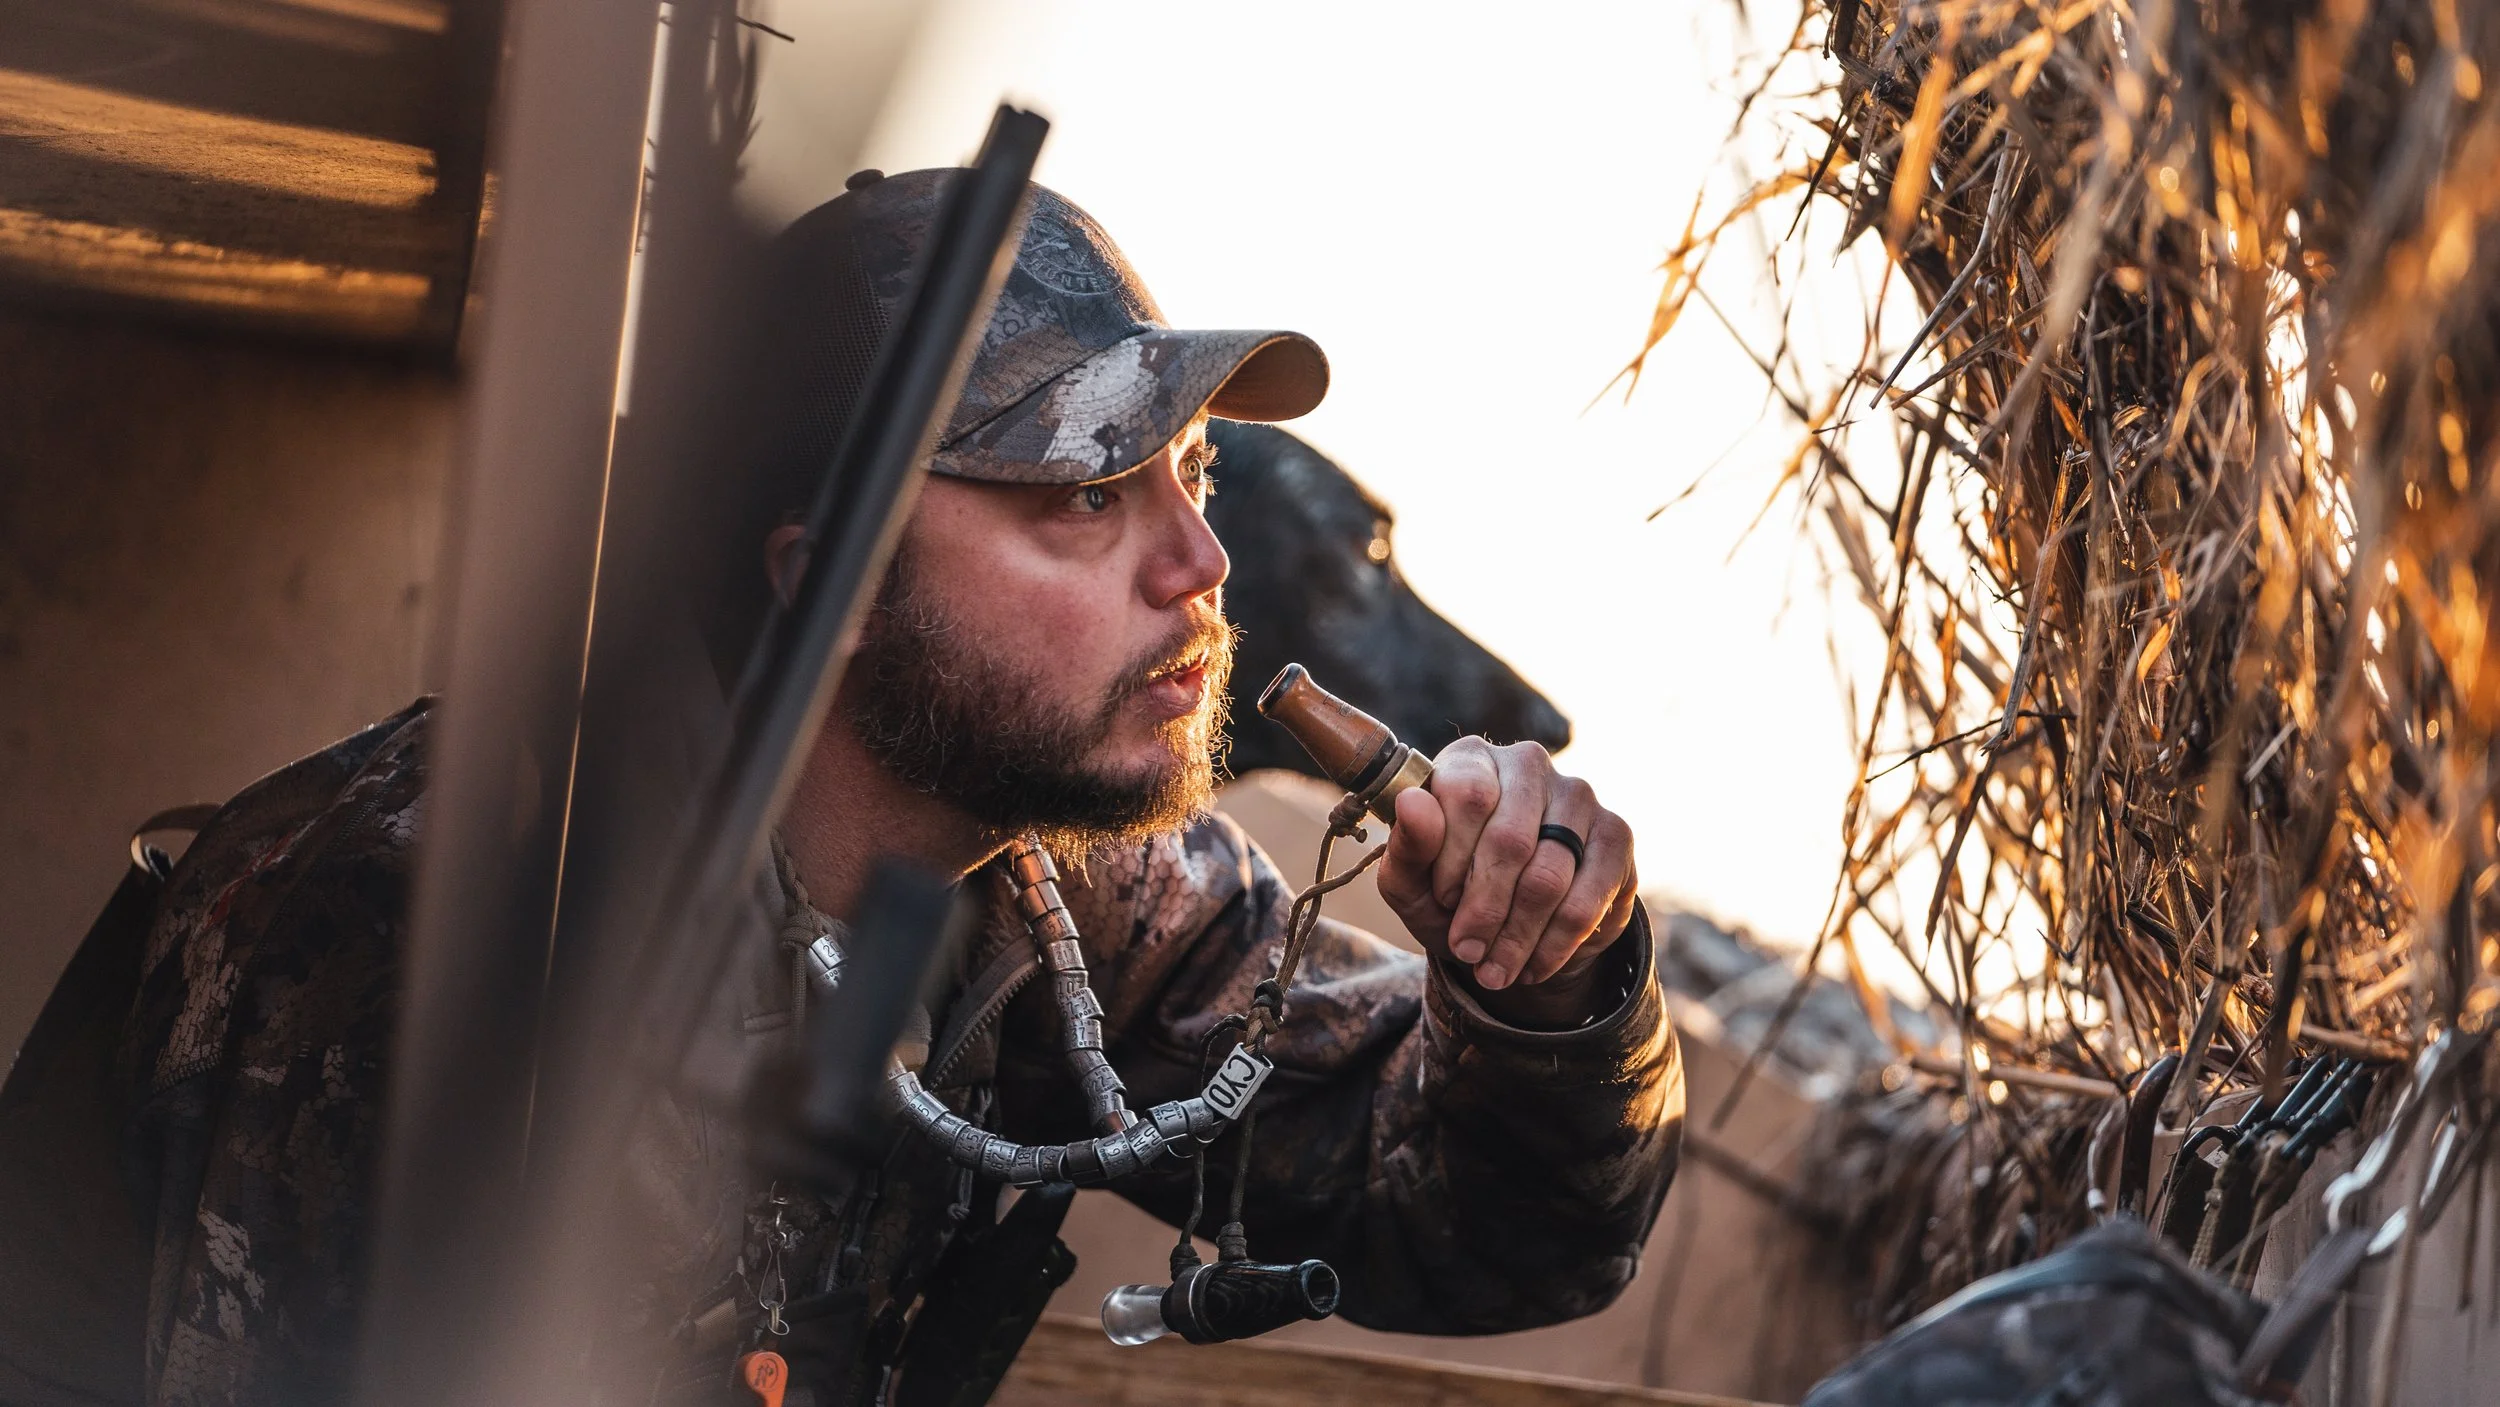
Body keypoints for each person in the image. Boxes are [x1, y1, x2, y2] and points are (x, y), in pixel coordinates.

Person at [106, 171, 1683, 1405]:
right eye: (1082, 493)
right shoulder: (426, 924)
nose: (1202, 565)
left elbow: (1493, 1230)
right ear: (829, 576)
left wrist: (1552, 988)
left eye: (1189, 475)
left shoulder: (1067, 879)